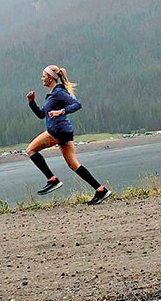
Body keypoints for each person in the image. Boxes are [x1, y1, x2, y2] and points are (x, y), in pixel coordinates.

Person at [25, 65, 112, 205]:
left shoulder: (58, 93)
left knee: (30, 150)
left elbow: (77, 104)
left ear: (51, 77)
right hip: (65, 132)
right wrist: (31, 102)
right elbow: (42, 115)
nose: (41, 78)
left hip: (57, 130)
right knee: (74, 164)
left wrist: (61, 112)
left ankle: (52, 180)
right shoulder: (52, 95)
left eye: (43, 75)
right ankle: (101, 190)